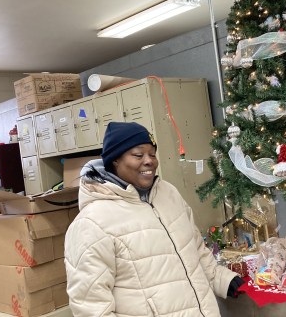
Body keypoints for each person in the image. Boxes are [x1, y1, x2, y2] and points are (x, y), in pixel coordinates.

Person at [64, 121, 243, 317]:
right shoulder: (92, 222)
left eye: (152, 154)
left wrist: (221, 278)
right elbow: (90, 306)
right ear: (115, 160)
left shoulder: (168, 194)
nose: (149, 161)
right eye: (138, 155)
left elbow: (194, 250)